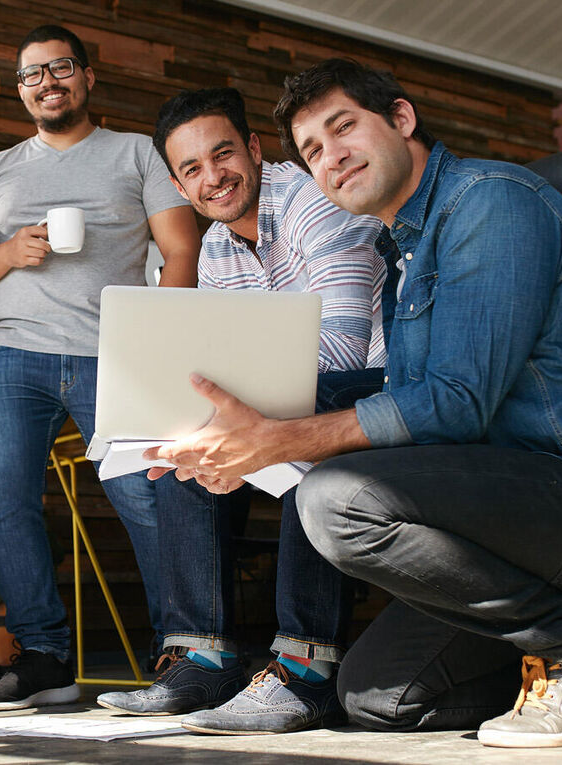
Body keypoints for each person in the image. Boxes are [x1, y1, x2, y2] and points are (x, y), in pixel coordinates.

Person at [153, 58, 562, 748]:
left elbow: (457, 404)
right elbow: (412, 418)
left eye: (343, 129)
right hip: (515, 522)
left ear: (401, 117)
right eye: (314, 151)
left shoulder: (492, 202)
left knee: (333, 499)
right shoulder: (403, 254)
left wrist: (283, 440)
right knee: (379, 698)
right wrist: (245, 457)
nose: (331, 159)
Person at [0, 24, 234, 712]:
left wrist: (154, 343)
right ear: (20, 91)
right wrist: (9, 254)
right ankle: (44, 656)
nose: (48, 83)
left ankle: (187, 648)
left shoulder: (137, 153)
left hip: (114, 353)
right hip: (14, 354)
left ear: (87, 77)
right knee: (6, 495)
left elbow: (181, 252)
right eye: (32, 75)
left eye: (61, 68)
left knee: (146, 492)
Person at [96, 87, 390, 726]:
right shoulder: (215, 249)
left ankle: (306, 669)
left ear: (254, 149)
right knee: (184, 440)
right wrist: (212, 429)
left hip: (373, 393)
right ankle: (201, 660)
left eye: (222, 154)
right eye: (191, 170)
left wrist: (247, 426)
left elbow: (341, 349)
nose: (213, 178)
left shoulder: (316, 198)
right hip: (290, 399)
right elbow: (215, 367)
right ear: (179, 183)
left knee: (292, 414)